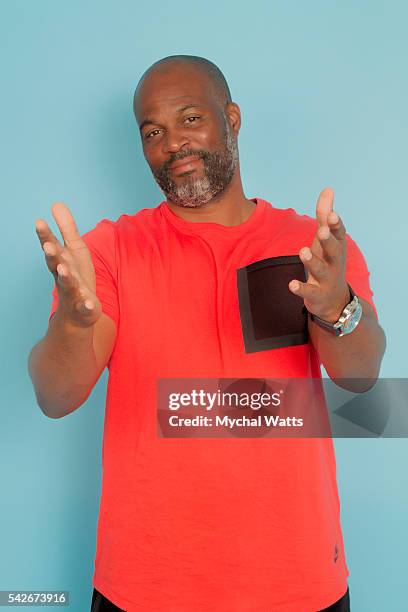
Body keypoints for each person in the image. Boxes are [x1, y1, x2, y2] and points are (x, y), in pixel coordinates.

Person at [28, 55, 386, 611]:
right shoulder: (108, 252)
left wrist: (334, 304)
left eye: (191, 119)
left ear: (232, 118)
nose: (173, 143)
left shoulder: (311, 248)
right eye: (153, 131)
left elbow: (361, 378)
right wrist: (75, 324)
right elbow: (55, 396)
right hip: (145, 587)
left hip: (297, 581)